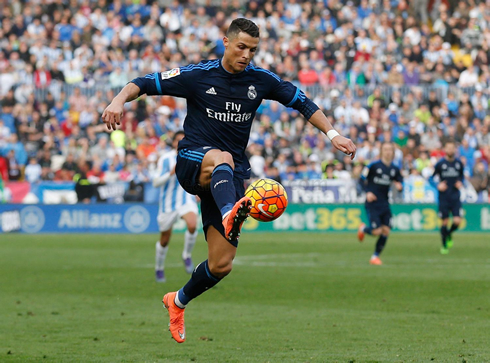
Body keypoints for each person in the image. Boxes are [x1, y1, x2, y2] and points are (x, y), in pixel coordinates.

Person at [102, 18, 356, 343]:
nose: (247, 54)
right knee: (222, 156)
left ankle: (177, 301)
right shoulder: (198, 75)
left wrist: (332, 134)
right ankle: (228, 213)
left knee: (221, 265)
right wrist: (117, 100)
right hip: (195, 160)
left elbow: (302, 102)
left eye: (253, 49)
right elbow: (143, 82)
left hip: (230, 176)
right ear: (226, 42)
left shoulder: (261, 81)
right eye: (241, 47)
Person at [153, 131, 198, 282]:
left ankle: (186, 255)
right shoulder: (166, 159)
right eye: (178, 140)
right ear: (173, 143)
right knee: (164, 240)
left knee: (192, 224)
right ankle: (159, 268)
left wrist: (199, 191)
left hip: (186, 199)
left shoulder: (193, 156)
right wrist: (171, 173)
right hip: (167, 204)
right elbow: (155, 182)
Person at [357, 142, 403, 265]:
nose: (388, 152)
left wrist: (400, 186)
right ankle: (363, 228)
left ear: (393, 153)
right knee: (377, 231)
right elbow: (361, 180)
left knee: (386, 231)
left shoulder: (394, 169)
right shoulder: (372, 166)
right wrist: (367, 192)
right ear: (381, 151)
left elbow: (400, 181)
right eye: (385, 149)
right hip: (372, 203)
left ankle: (375, 256)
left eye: (390, 150)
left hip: (385, 203)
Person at [429, 141, 464, 254]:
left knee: (457, 221)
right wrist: (437, 185)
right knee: (444, 221)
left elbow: (461, 177)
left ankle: (448, 234)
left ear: (455, 150)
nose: (450, 150)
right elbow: (431, 178)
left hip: (455, 197)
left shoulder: (459, 164)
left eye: (452, 148)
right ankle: (444, 246)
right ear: (445, 149)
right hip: (443, 197)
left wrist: (460, 182)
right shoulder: (440, 164)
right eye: (448, 148)